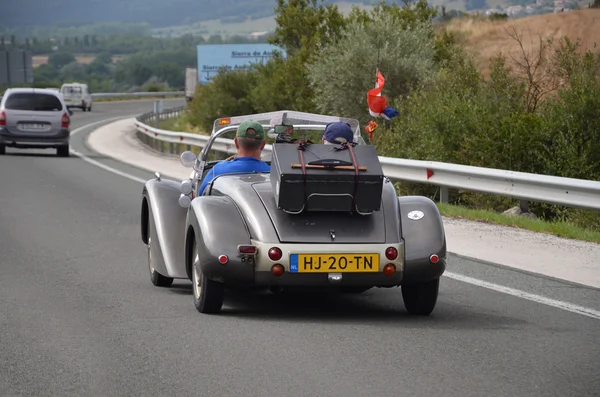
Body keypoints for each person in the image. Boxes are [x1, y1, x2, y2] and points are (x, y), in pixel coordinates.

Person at [199, 120, 271, 195]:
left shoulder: (217, 171)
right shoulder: (271, 173)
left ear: (236, 143)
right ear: (263, 145)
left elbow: (201, 198)